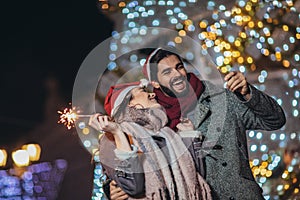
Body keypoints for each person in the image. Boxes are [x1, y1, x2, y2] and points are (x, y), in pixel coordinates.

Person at [111, 47, 286, 200]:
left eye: (179, 67)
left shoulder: (222, 100)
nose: (177, 75)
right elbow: (133, 161)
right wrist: (113, 189)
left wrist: (248, 94)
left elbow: (275, 121)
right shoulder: (152, 121)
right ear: (154, 82)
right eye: (167, 72)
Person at [89, 79, 212, 200]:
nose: (152, 94)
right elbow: (134, 187)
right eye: (143, 91)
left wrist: (188, 135)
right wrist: (117, 132)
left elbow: (196, 174)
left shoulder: (167, 132)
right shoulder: (112, 138)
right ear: (129, 103)